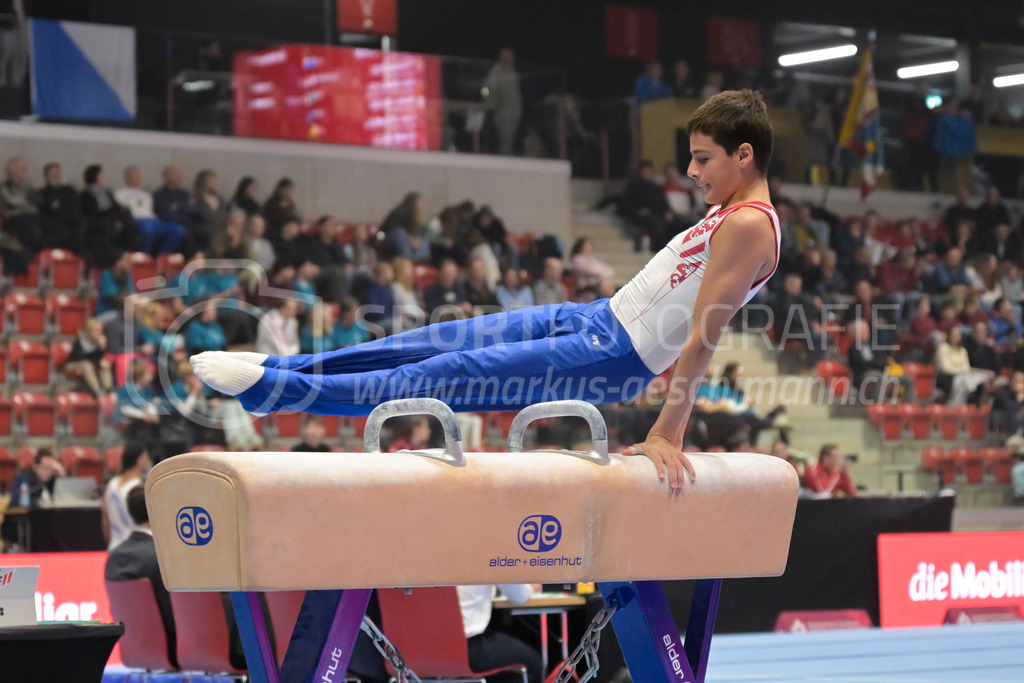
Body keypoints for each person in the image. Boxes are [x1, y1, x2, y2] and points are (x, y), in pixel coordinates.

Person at [191, 90, 781, 490]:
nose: (692, 172)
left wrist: (666, 433)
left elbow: (704, 336)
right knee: (434, 340)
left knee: (448, 375)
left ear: (745, 155)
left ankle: (282, 391)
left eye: (703, 159)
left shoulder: (751, 225)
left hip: (614, 355)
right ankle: (281, 370)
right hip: (594, 317)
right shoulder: (728, 208)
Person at [105, 485, 178, 667]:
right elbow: (178, 616)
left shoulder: (114, 557)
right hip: (176, 647)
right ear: (159, 510)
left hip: (132, 649)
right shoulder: (163, 556)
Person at [457, 583, 543, 683]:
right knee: (534, 667)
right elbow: (519, 596)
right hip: (471, 647)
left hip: (441, 651)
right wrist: (531, 588)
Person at [114, 165, 186, 255]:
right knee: (147, 230)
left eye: (139, 177)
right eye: (134, 176)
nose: (138, 179)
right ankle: (146, 256)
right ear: (127, 178)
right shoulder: (120, 194)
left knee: (179, 230)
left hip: (153, 220)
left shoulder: (146, 195)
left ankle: (162, 256)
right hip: (138, 221)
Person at [101, 443, 152, 551]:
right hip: (136, 548)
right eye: (146, 457)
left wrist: (111, 543)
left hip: (115, 547)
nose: (148, 461)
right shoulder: (138, 488)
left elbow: (105, 521)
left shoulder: (111, 485)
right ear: (140, 460)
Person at [485, 48, 522, 155]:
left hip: (514, 109)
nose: (512, 58)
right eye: (509, 56)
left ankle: (507, 154)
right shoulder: (497, 70)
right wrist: (492, 103)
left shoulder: (512, 70)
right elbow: (491, 88)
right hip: (503, 109)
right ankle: (504, 156)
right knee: (505, 136)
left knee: (510, 137)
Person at [66, 318, 114, 396]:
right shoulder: (80, 341)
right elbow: (80, 357)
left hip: (93, 363)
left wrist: (103, 347)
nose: (100, 333)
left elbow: (100, 357)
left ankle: (108, 390)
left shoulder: (99, 341)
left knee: (105, 364)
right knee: (86, 365)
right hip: (74, 363)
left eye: (100, 331)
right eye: (97, 331)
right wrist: (98, 361)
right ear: (90, 331)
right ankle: (98, 391)